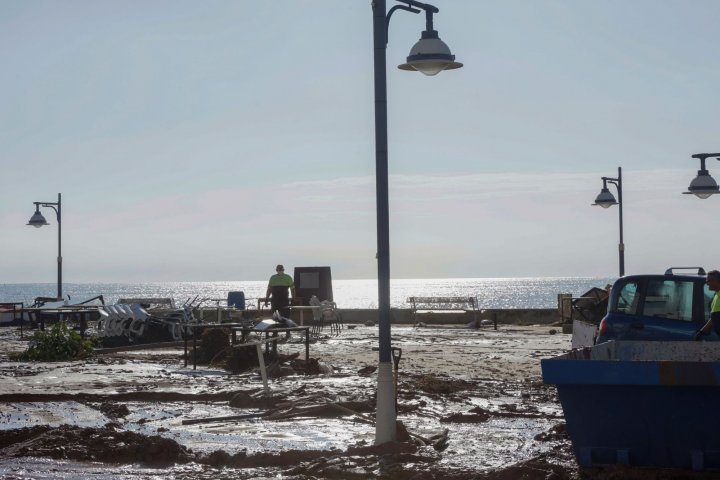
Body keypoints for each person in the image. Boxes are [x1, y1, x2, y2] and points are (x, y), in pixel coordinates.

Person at [694, 269, 720, 340]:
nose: (707, 283)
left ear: (715, 281)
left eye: (707, 281)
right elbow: (713, 318)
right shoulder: (716, 295)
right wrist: (701, 332)